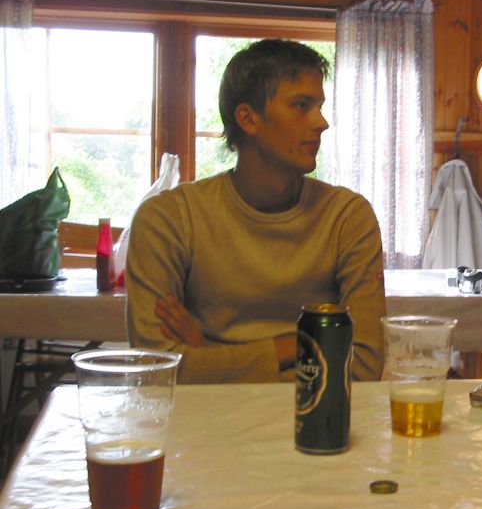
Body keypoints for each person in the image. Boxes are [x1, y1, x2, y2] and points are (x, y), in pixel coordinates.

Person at [126, 39, 386, 383]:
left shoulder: (348, 217)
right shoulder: (169, 218)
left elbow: (362, 367)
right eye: (301, 105)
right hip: (206, 419)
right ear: (248, 119)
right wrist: (294, 345)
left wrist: (206, 355)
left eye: (319, 106)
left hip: (316, 416)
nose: (321, 122)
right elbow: (154, 369)